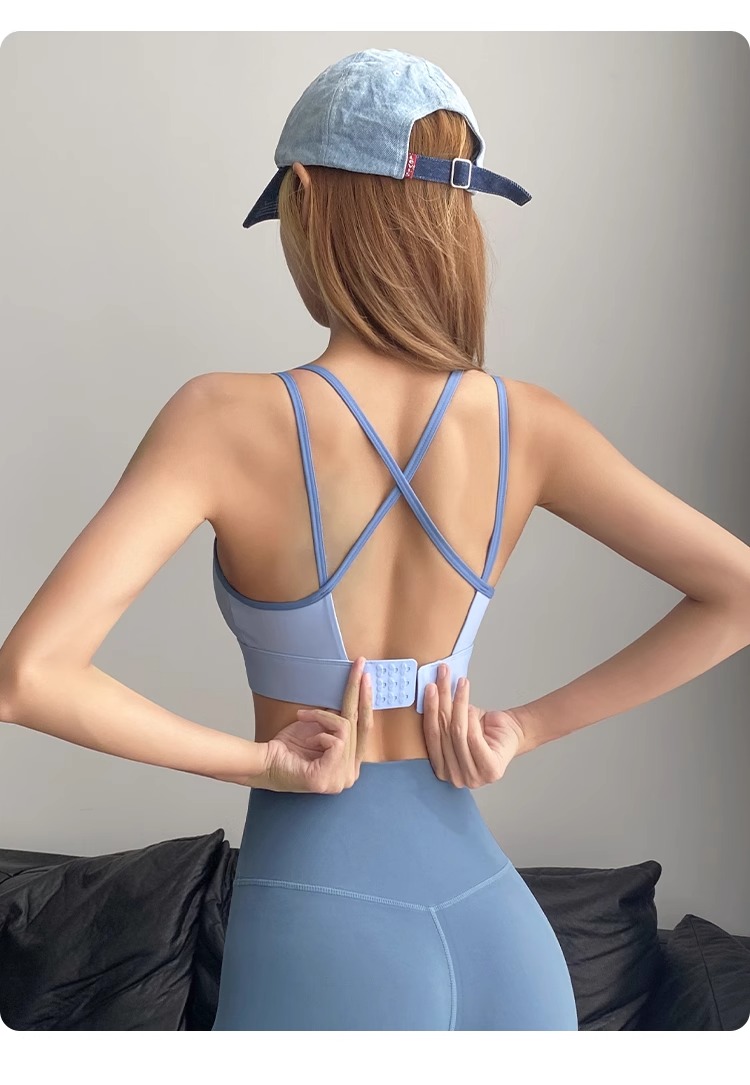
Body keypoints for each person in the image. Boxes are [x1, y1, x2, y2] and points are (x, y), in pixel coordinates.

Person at [1, 48, 749, 1032]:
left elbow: (28, 677)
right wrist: (526, 727)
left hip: (323, 927)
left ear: (307, 198)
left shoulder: (220, 419)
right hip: (504, 939)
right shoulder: (528, 424)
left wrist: (260, 762)